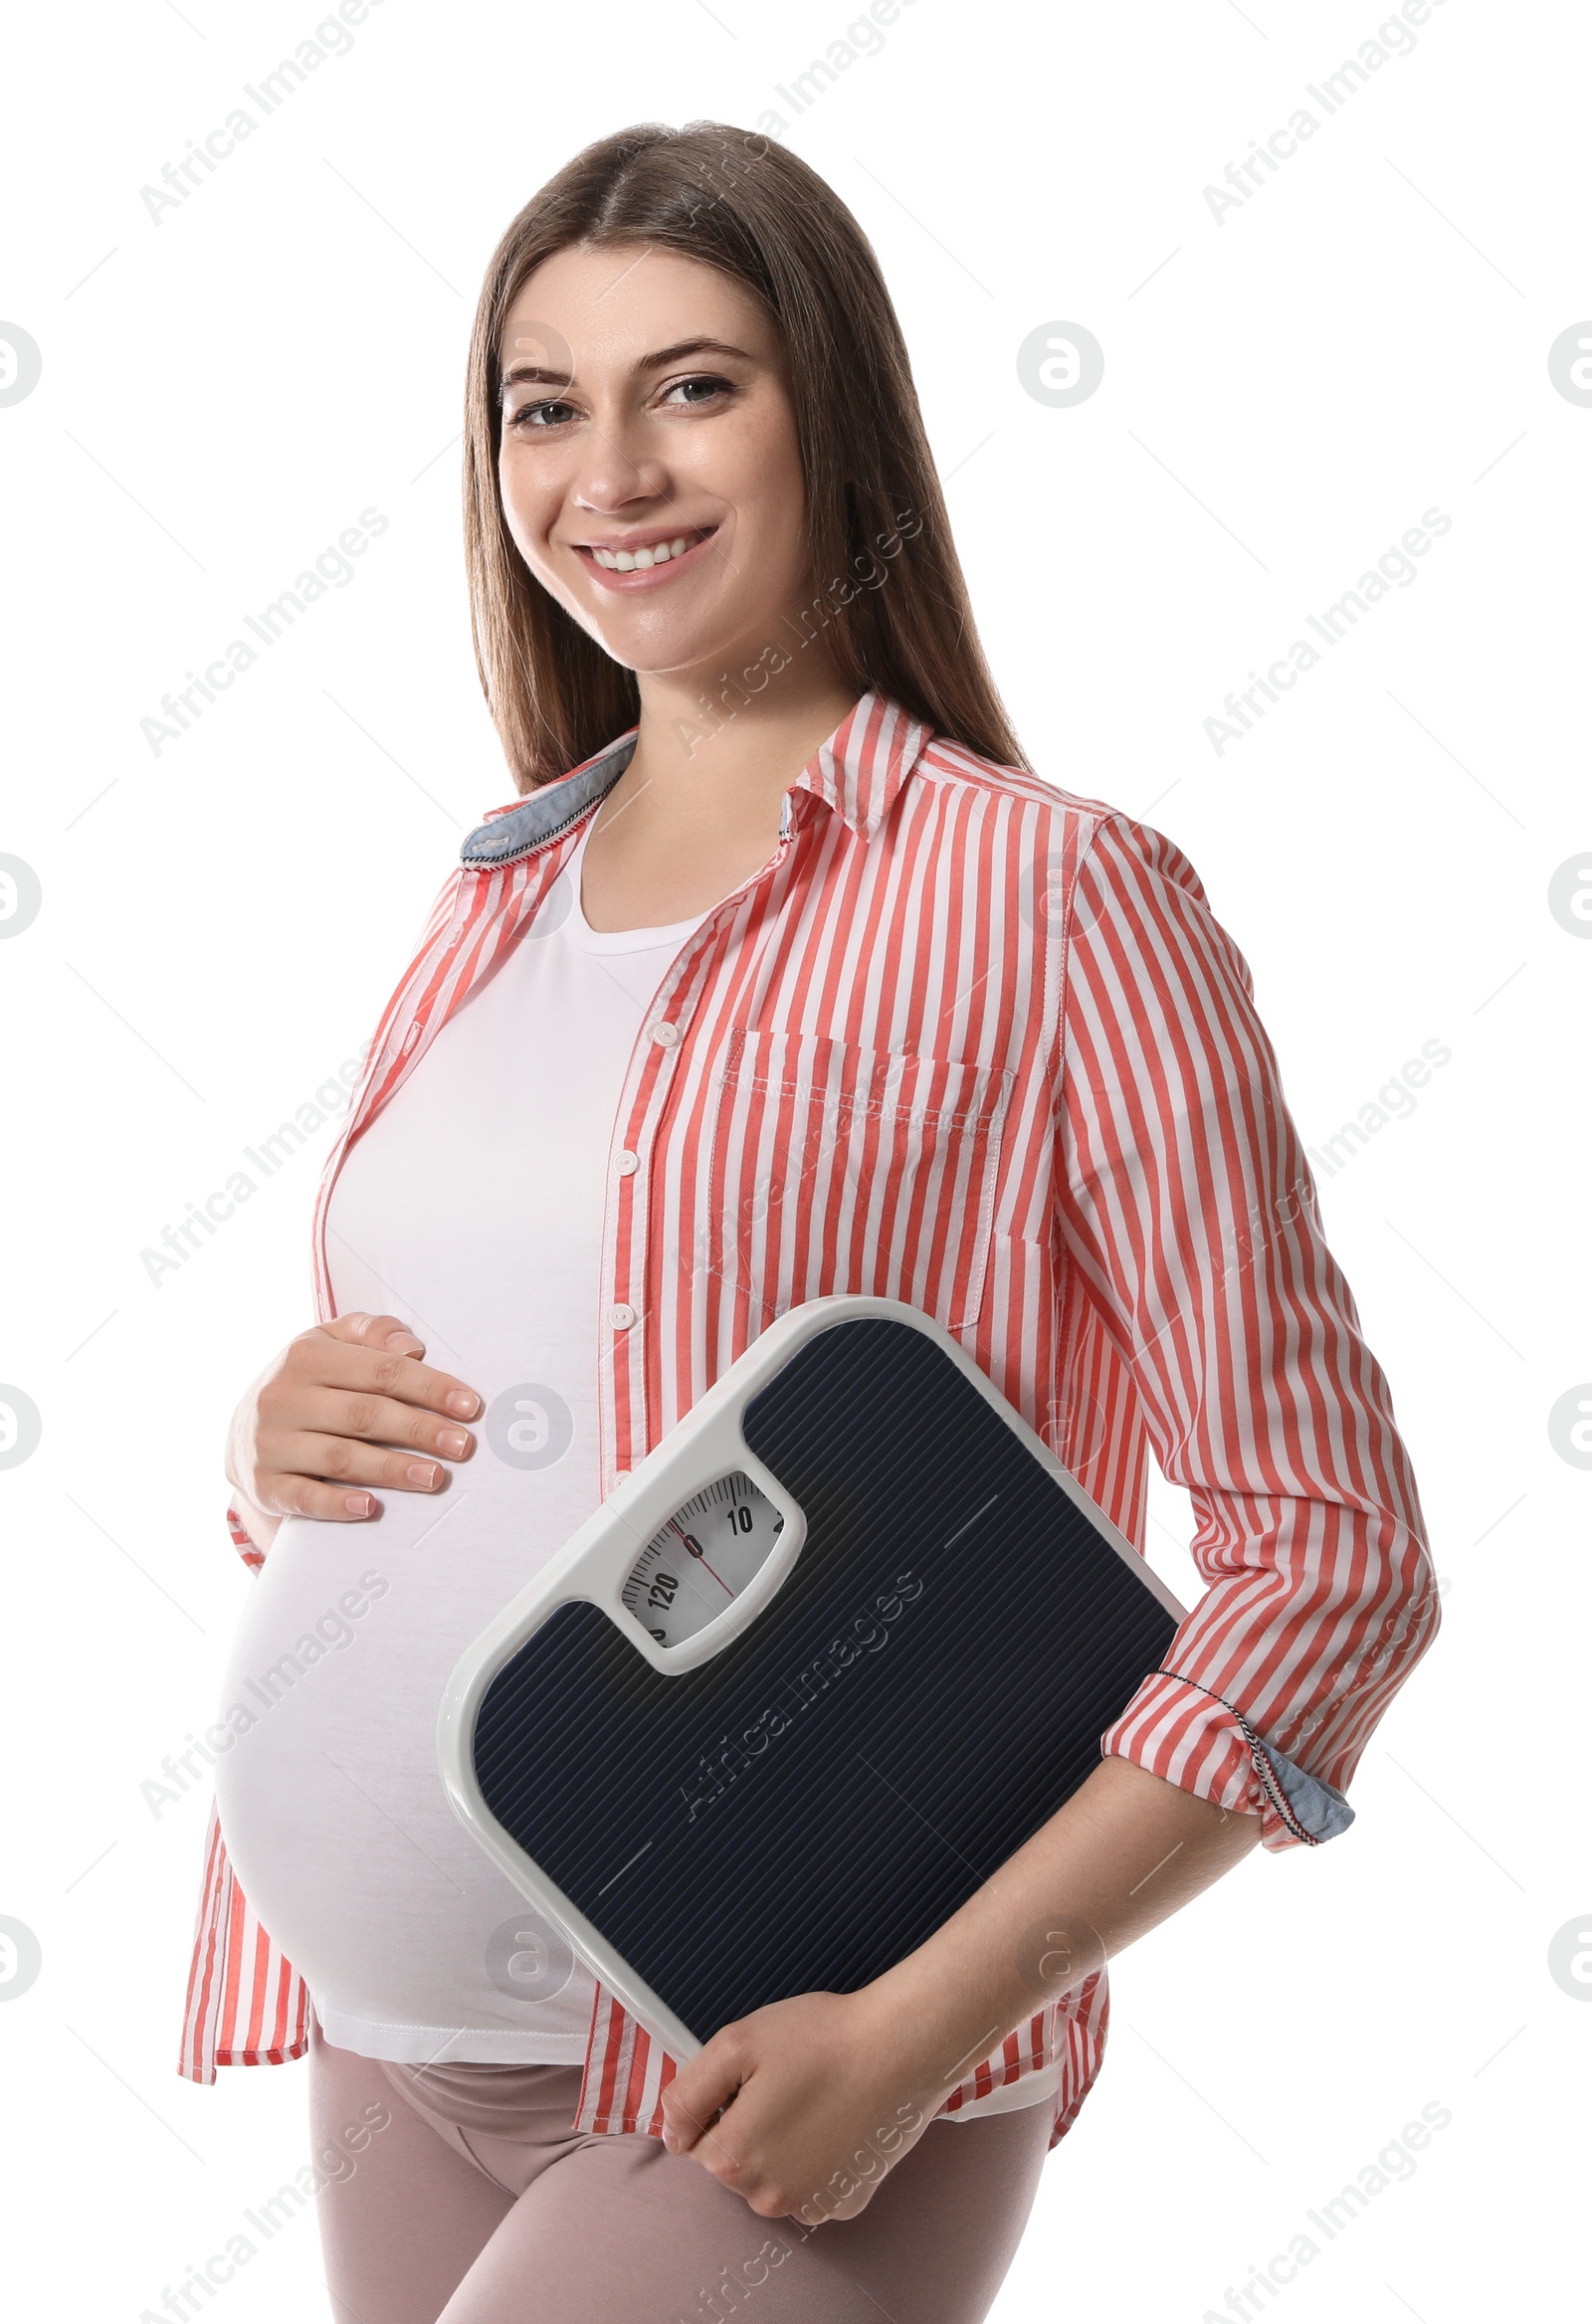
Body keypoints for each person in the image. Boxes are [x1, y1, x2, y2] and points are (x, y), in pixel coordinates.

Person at [179, 121, 1440, 2324]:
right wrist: (278, 1454)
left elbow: (1329, 1558)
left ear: (829, 407)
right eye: (540, 404)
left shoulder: (1050, 898)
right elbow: (526, 1429)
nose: (609, 472)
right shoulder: (484, 906)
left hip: (781, 2068)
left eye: (693, 384)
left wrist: (931, 2021)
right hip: (395, 2048)